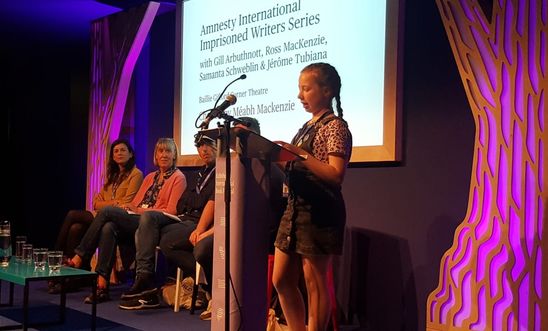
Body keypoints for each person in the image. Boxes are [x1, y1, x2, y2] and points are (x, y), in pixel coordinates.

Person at [272, 63, 352, 331]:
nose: (300, 95)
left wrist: (300, 154)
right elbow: (298, 165)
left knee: (314, 282)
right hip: (295, 208)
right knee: (281, 279)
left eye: (306, 89)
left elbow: (335, 174)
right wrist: (274, 155)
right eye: (299, 89)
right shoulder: (306, 126)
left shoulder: (335, 126)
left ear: (326, 90)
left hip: (319, 211)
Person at [68, 138, 186, 303]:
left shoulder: (178, 177)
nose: (164, 155)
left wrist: (140, 210)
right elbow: (134, 203)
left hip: (153, 223)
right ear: (156, 155)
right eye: (160, 151)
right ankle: (102, 285)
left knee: (108, 211)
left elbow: (172, 210)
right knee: (108, 227)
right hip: (136, 217)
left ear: (174, 155)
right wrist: (127, 209)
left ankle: (80, 255)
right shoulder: (151, 177)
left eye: (168, 151)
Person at [118, 132, 217, 310]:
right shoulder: (200, 173)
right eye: (200, 146)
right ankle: (146, 283)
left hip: (198, 223)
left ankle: (149, 280)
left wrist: (200, 226)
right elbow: (184, 203)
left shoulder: (205, 174)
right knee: (127, 227)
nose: (204, 150)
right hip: (183, 219)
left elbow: (203, 204)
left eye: (208, 145)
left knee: (158, 234)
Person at [48, 138, 143, 294]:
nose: (119, 153)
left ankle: (56, 255)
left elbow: (126, 203)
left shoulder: (136, 174)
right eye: (116, 151)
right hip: (101, 215)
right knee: (76, 228)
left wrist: (108, 204)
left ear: (131, 154)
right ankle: (76, 277)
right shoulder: (112, 175)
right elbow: (95, 202)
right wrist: (113, 202)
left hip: (119, 217)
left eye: (123, 150)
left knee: (72, 214)